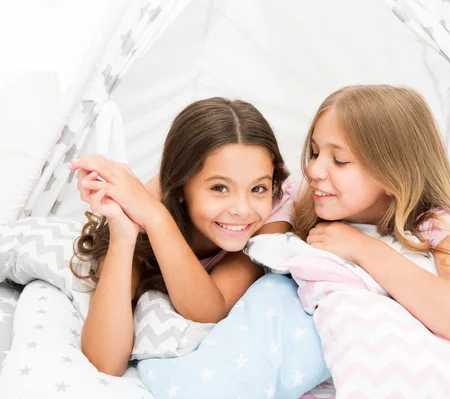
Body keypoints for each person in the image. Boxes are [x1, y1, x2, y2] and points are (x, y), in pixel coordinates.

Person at [68, 97, 295, 375]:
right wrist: (124, 237)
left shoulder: (271, 218)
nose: (242, 209)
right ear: (180, 187)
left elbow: (210, 311)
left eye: (258, 188)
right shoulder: (143, 222)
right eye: (220, 188)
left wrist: (156, 218)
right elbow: (104, 362)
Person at [294, 85, 450, 358]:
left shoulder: (439, 228)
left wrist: (366, 249)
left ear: (394, 175)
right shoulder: (306, 202)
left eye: (340, 160)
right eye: (315, 152)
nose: (313, 169)